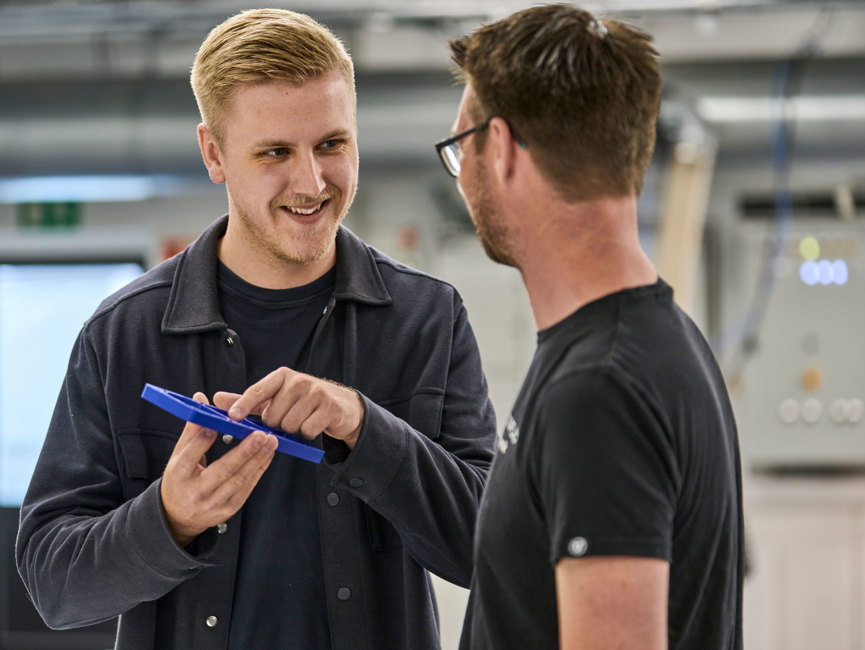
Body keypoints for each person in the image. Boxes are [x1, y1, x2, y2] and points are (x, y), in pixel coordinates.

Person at [17, 8, 497, 650]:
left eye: (332, 144)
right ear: (214, 154)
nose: (311, 182)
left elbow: (491, 554)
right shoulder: (123, 335)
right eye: (275, 152)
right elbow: (54, 584)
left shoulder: (427, 321)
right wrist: (169, 519)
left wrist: (364, 426)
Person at [438, 5, 744, 649]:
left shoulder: (597, 391)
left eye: (460, 147)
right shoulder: (660, 341)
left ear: (499, 149)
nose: (461, 173)